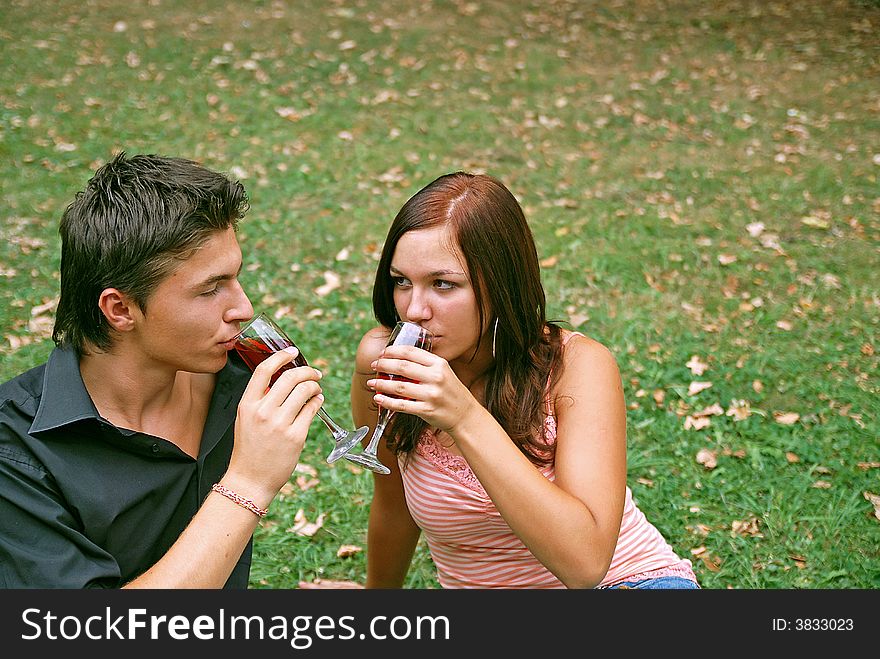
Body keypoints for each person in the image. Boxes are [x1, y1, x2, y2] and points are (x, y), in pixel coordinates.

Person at [351, 172, 699, 589]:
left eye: (443, 284)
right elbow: (394, 508)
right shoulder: (386, 366)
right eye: (402, 282)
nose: (415, 310)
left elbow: (586, 565)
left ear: (502, 285)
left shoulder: (576, 366)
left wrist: (464, 418)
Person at [0, 153, 324, 588]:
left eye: (235, 277)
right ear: (120, 308)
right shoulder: (18, 454)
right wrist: (248, 483)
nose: (243, 308)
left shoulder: (236, 380)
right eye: (210, 289)